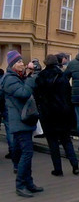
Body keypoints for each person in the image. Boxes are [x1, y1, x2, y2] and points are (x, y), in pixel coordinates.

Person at [1, 50, 44, 197]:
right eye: (19, 62)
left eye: (22, 61)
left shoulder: (17, 77)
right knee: (27, 153)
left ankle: (29, 183)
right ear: (13, 65)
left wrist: (30, 75)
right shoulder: (9, 79)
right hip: (19, 121)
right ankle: (20, 185)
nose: (22, 64)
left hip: (23, 120)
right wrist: (31, 77)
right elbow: (24, 93)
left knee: (25, 153)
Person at [34, 54, 79, 176]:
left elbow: (36, 96)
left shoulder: (40, 77)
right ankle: (75, 165)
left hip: (48, 114)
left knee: (53, 143)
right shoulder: (62, 76)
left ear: (45, 64)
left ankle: (58, 169)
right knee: (66, 141)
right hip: (63, 113)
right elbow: (68, 95)